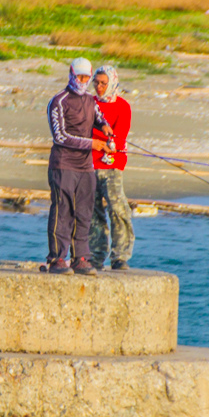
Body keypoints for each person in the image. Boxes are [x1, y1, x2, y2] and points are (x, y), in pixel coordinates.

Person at [45, 57, 113, 276]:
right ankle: (57, 258)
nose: (83, 81)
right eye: (79, 76)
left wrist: (104, 128)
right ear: (71, 75)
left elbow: (99, 118)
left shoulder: (91, 101)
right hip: (63, 164)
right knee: (62, 210)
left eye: (86, 77)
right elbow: (60, 137)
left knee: (84, 213)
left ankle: (80, 258)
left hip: (85, 167)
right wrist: (93, 143)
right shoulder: (59, 101)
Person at [89, 65, 135, 271]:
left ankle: (120, 256)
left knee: (117, 209)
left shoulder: (123, 106)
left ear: (112, 83)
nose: (99, 87)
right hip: (88, 164)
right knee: (92, 211)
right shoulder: (88, 104)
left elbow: (120, 136)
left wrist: (109, 146)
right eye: (96, 82)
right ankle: (95, 256)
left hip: (112, 165)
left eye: (103, 83)